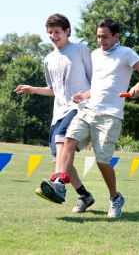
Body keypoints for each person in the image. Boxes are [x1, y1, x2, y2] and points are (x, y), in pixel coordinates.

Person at [39, 18, 139, 218]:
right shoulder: (94, 55)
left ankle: (115, 197)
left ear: (116, 36)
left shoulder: (127, 53)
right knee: (68, 141)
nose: (101, 40)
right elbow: (98, 86)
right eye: (99, 37)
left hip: (110, 115)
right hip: (87, 110)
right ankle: (59, 183)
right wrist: (84, 95)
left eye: (105, 37)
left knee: (102, 161)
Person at [14, 13, 94, 211]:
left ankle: (59, 183)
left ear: (67, 31)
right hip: (58, 112)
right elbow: (54, 90)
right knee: (60, 158)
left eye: (57, 32)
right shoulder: (48, 59)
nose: (53, 36)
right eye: (49, 33)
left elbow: (95, 81)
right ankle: (84, 195)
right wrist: (32, 89)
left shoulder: (80, 49)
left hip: (79, 108)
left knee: (62, 138)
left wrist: (86, 96)